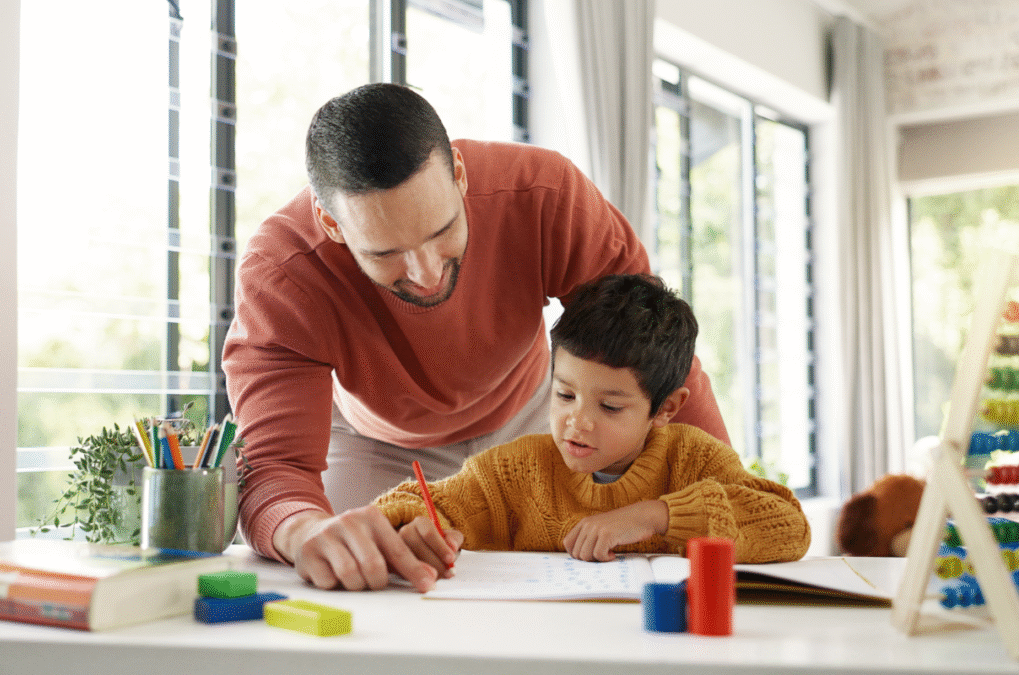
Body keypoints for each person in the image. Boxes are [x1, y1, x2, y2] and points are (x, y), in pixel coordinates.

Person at [222, 83, 732, 592]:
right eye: (385, 253)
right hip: (376, 442)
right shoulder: (283, 272)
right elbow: (274, 466)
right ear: (332, 224)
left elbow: (653, 350)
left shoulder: (543, 192)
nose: (424, 274)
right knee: (356, 576)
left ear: (460, 177)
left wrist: (727, 495)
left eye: (442, 229)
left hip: (535, 412)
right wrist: (303, 529)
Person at [373, 274, 811, 577]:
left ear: (665, 408)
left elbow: (789, 525)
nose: (577, 423)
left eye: (611, 408)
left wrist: (654, 515)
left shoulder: (693, 458)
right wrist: (413, 526)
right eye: (565, 396)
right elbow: (409, 503)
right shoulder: (516, 471)